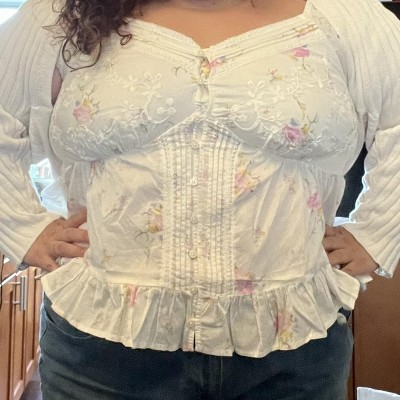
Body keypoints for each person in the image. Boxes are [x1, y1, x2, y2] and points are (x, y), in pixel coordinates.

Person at [0, 0, 399, 398]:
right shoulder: (58, 15)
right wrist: (20, 226)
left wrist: (378, 233)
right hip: (100, 348)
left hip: (292, 347)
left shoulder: (345, 19)